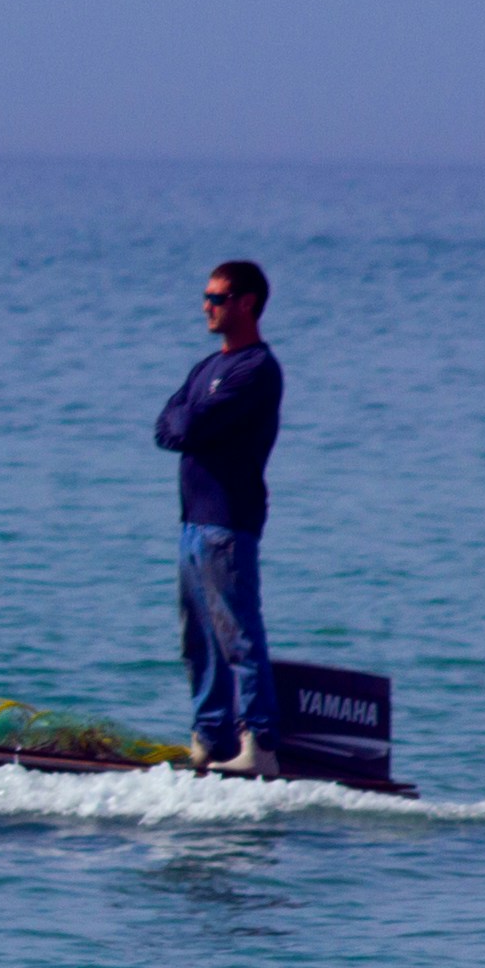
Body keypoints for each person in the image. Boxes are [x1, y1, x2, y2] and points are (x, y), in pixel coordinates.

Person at [156, 259, 285, 774]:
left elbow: (193, 424)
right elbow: (167, 424)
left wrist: (189, 423)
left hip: (228, 522)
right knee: (198, 638)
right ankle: (209, 739)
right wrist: (188, 422)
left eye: (217, 298)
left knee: (238, 635)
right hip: (192, 522)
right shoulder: (205, 368)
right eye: (206, 297)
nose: (206, 306)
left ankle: (260, 746)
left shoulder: (256, 369)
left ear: (246, 303)